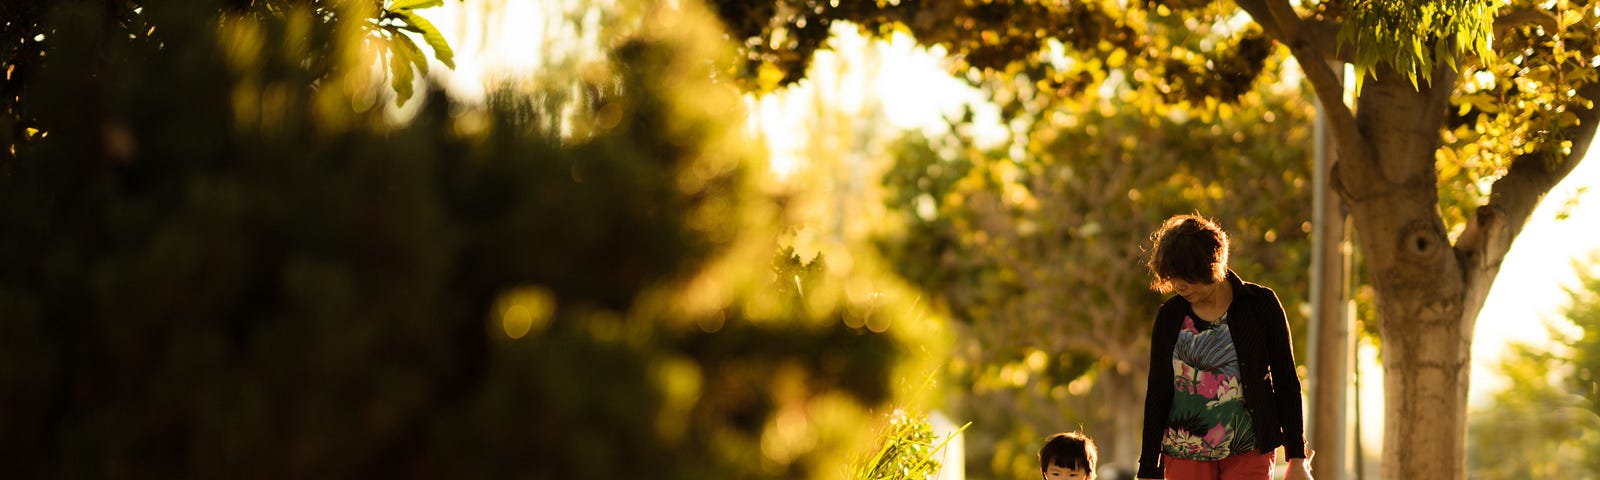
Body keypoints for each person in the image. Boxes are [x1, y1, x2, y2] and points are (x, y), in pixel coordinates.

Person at [1136, 214, 1313, 480]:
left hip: (1249, 449)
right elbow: (1158, 392)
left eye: (1187, 276)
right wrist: (1148, 468)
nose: (1179, 286)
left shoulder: (1261, 305)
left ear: (1212, 265)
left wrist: (1297, 458)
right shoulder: (1170, 316)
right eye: (1173, 278)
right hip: (1184, 453)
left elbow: (1286, 381)